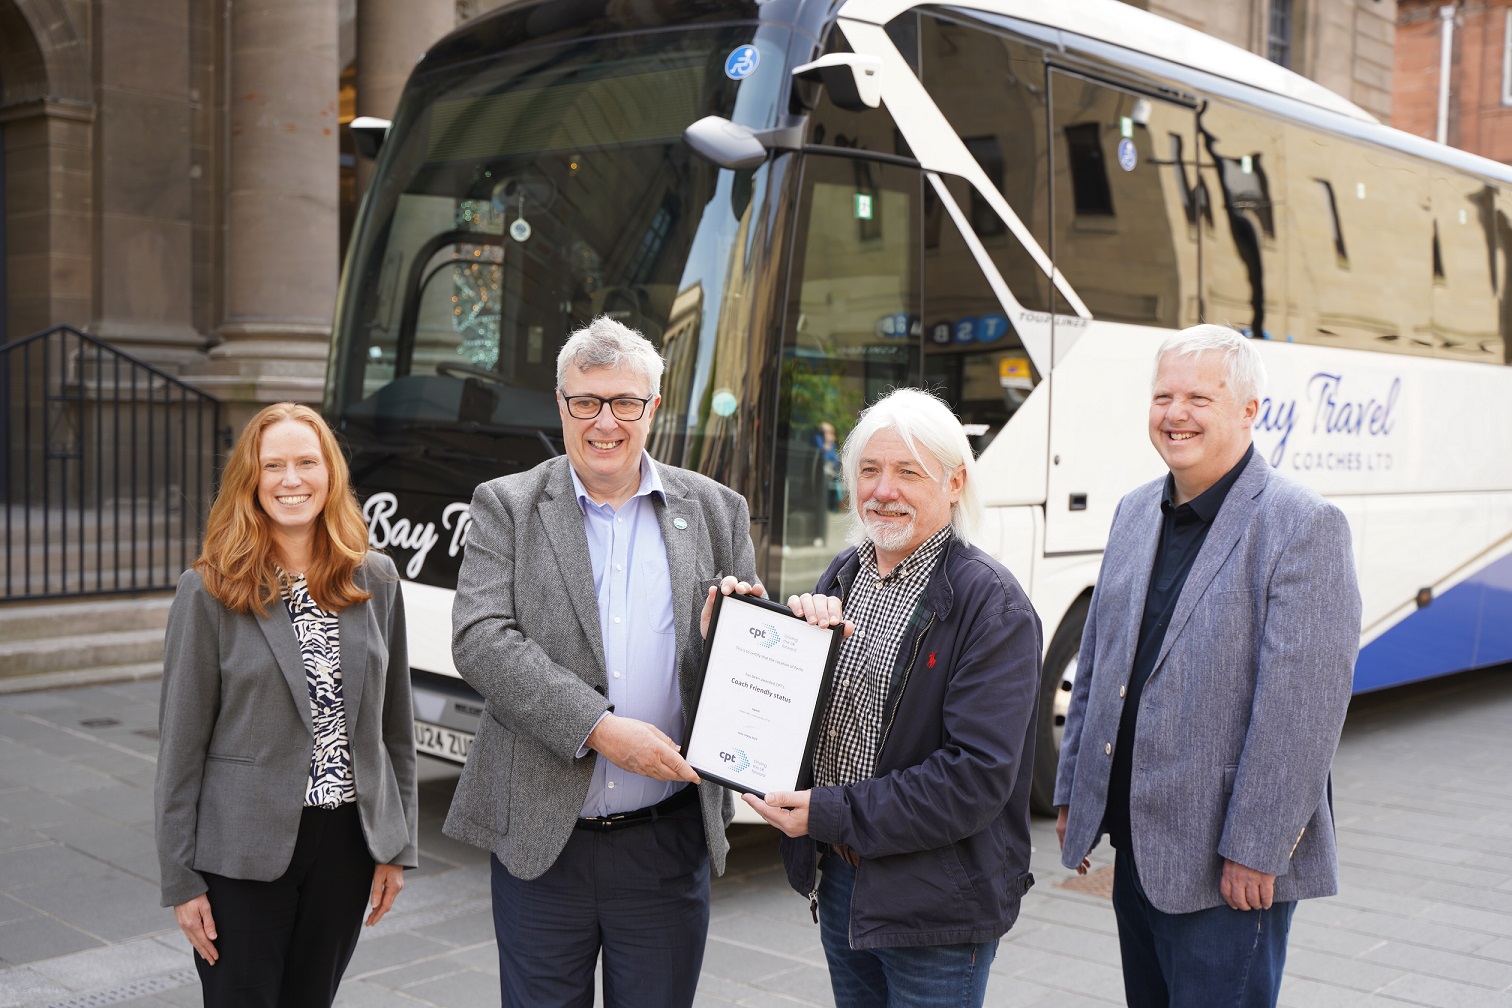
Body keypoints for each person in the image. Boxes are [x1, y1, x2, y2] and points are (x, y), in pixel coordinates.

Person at [444, 316, 763, 1008]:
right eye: (585, 402)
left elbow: (735, 674)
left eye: (625, 402)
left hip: (666, 844)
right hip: (542, 845)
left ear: (654, 407)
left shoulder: (716, 511)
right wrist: (600, 729)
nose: (605, 423)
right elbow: (480, 638)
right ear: (561, 405)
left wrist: (747, 637)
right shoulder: (508, 506)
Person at [1055, 324, 1361, 1008]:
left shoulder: (1302, 525)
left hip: (1229, 865)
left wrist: (1258, 846)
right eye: (1163, 395)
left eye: (1199, 396)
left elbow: (1301, 709)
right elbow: (1101, 663)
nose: (1175, 413)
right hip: (1136, 850)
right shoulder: (1136, 511)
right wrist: (1077, 789)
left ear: (1250, 410)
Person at [746, 388, 1042, 1008]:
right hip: (842, 881)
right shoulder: (844, 574)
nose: (884, 490)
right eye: (870, 470)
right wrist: (764, 644)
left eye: (908, 472)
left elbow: (974, 779)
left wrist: (829, 813)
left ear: (955, 482)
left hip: (936, 902)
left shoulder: (991, 605)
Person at [155, 402, 417, 1007]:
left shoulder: (374, 578)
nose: (291, 480)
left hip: (347, 848)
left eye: (306, 462)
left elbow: (393, 726)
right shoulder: (209, 590)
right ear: (250, 480)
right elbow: (180, 746)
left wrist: (394, 847)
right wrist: (181, 878)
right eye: (273, 465)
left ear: (331, 475)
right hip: (241, 850)